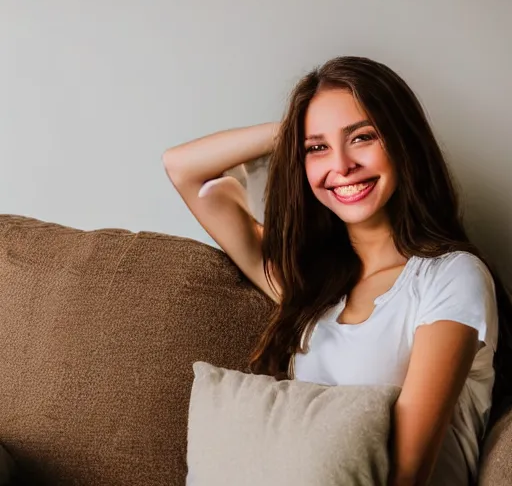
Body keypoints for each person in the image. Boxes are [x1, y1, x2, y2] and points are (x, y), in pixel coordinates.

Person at [162, 56, 512, 486]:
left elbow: (407, 472)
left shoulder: (452, 277)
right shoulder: (307, 285)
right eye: (317, 148)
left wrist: (316, 136)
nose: (342, 165)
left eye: (362, 137)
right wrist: (293, 129)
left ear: (402, 140)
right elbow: (183, 169)